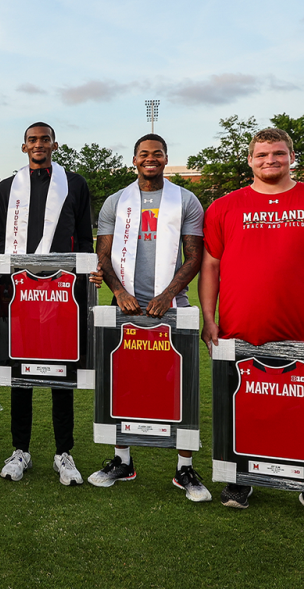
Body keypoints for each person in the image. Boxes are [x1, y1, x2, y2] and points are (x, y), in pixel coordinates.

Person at [200, 127, 304, 524]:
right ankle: (242, 477)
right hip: (240, 329)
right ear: (250, 160)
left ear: (292, 156)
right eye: (261, 155)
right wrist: (209, 318)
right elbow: (210, 266)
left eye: (277, 153)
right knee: (247, 407)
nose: (269, 160)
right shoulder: (224, 206)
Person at [85, 133, 210, 502]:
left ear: (166, 159)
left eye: (157, 154)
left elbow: (194, 257)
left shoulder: (186, 199)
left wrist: (167, 295)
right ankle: (122, 461)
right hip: (126, 308)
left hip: (173, 308)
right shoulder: (115, 201)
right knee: (124, 383)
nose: (150, 159)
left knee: (179, 388)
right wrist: (120, 292)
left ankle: (184, 469)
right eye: (144, 154)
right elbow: (102, 255)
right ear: (134, 160)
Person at [0, 122, 94, 485]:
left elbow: (84, 239)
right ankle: (21, 450)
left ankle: (64, 454)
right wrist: (0, 284)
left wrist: (83, 287)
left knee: (60, 372)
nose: (39, 144)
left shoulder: (75, 184)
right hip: (20, 295)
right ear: (24, 147)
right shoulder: (6, 188)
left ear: (54, 144)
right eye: (33, 140)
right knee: (22, 374)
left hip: (63, 295)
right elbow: (2, 242)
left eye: (44, 139)